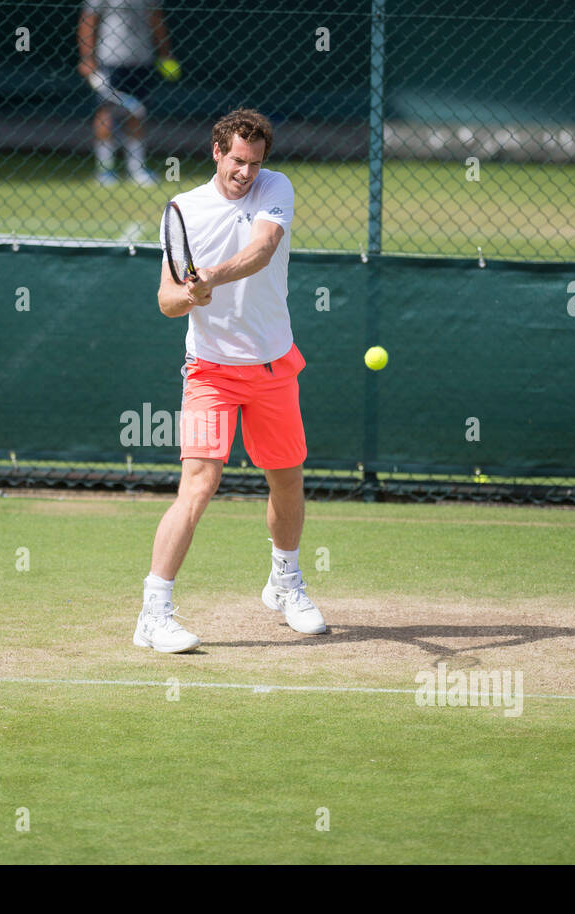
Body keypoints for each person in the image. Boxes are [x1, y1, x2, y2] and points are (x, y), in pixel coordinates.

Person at [133, 109, 326, 654]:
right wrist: (189, 294)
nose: (245, 173)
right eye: (237, 161)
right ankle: (154, 612)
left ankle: (284, 585)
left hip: (271, 364)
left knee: (286, 477)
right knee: (198, 484)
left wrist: (211, 276)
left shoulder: (275, 187)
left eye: (254, 163)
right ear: (217, 152)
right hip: (211, 371)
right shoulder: (183, 210)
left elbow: (263, 250)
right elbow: (167, 301)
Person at [77, 0, 175, 187]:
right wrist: (87, 58)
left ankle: (136, 168)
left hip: (142, 60)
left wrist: (165, 52)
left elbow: (156, 18)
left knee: (137, 112)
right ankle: (105, 170)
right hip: (109, 60)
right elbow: (88, 21)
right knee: (106, 112)